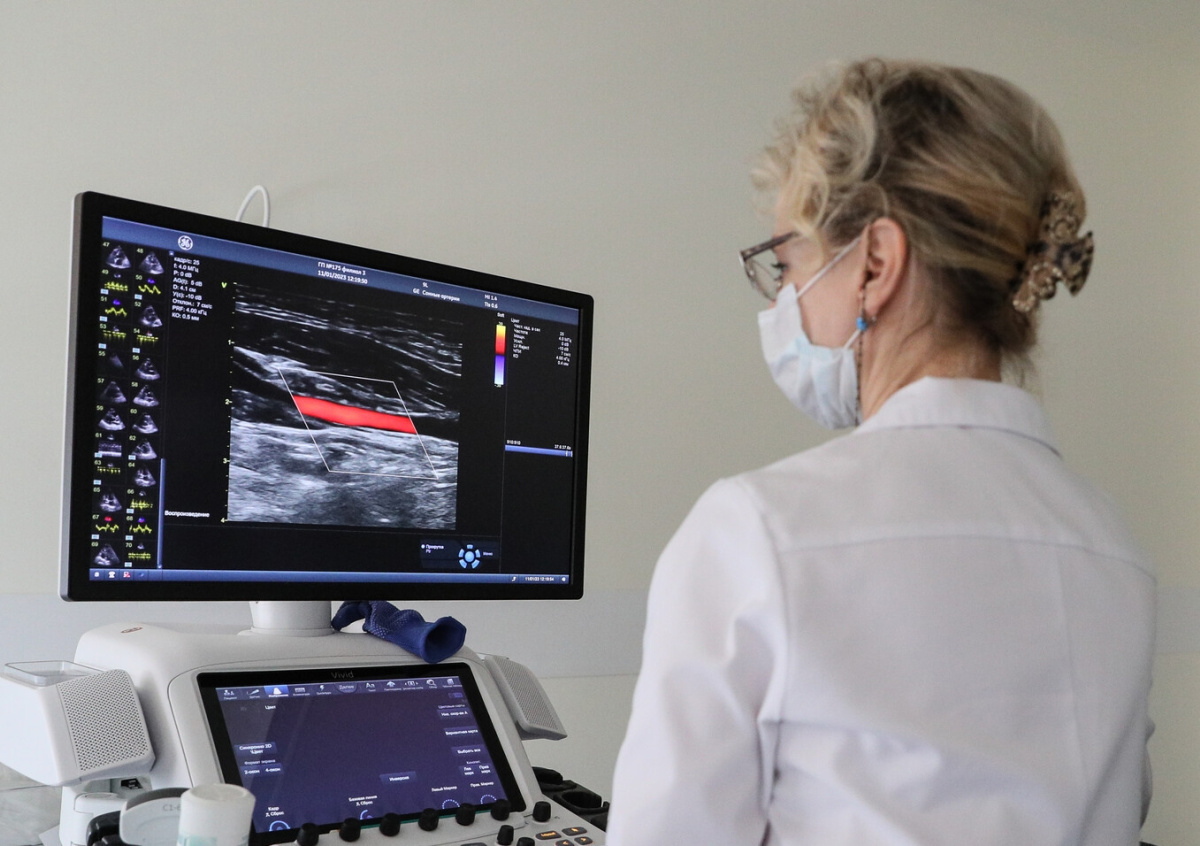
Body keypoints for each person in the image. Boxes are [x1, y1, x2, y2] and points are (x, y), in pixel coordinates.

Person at [607, 59, 1155, 846]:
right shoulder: (1111, 545)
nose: (783, 299)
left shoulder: (757, 532)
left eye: (789, 264)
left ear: (875, 264)